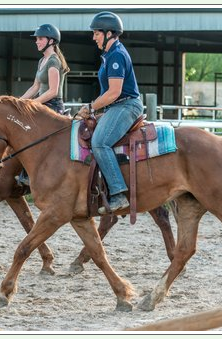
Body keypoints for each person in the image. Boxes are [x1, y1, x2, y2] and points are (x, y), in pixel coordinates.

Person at [77, 11, 143, 214]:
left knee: (99, 142)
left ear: (109, 33)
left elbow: (114, 92)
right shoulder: (109, 55)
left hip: (126, 105)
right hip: (118, 106)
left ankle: (118, 192)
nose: (93, 37)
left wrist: (90, 108)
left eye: (96, 33)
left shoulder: (116, 56)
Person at [17, 23, 70, 186]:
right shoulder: (42, 60)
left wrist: (32, 104)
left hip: (52, 105)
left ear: (51, 41)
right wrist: (19, 102)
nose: (36, 41)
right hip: (42, 103)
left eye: (40, 38)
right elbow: (36, 86)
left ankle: (29, 174)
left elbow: (53, 91)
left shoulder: (53, 61)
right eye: (37, 39)